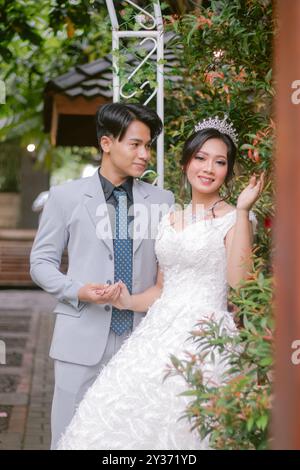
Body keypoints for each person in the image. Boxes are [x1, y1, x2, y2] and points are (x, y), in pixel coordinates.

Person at [57, 114, 264, 451]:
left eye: (220, 161)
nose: (208, 168)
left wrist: (242, 212)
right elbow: (160, 289)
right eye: (200, 158)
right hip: (155, 335)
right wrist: (126, 300)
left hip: (205, 335)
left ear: (229, 171)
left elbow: (240, 283)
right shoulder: (169, 218)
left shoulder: (236, 219)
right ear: (186, 163)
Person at [30, 103, 175, 449]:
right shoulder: (65, 197)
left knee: (130, 440)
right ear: (107, 143)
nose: (145, 154)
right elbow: (40, 262)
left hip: (139, 342)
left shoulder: (163, 200)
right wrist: (76, 290)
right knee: (69, 437)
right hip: (79, 338)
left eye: (149, 146)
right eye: (136, 144)